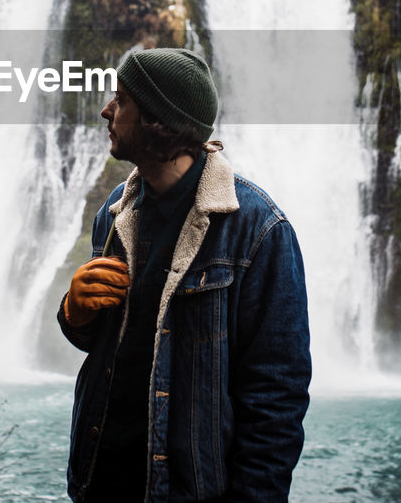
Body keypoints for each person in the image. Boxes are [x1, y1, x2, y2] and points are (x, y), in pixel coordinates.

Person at [58, 47, 311, 502]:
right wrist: (74, 314)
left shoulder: (259, 230)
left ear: (157, 119)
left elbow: (276, 398)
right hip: (99, 484)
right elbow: (108, 348)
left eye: (121, 99)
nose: (106, 110)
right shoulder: (115, 214)